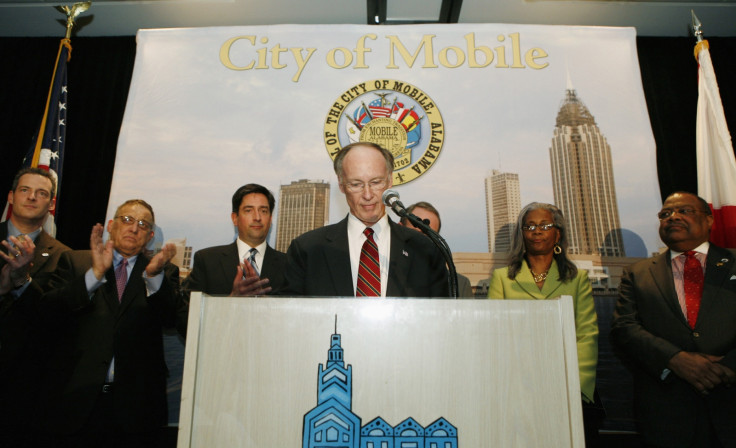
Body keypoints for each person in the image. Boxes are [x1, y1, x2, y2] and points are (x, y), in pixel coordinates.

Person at [40, 199, 186, 447]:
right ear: (111, 225)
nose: (134, 228)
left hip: (136, 409)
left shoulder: (161, 271)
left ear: (150, 236)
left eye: (143, 224)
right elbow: (48, 313)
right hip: (76, 402)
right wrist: (94, 276)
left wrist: (154, 278)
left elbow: (172, 319)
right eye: (127, 220)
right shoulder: (76, 262)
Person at [611, 192, 736, 448]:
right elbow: (625, 328)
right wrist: (675, 359)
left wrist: (728, 367)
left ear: (710, 220)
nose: (673, 217)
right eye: (665, 214)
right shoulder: (638, 274)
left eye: (684, 211)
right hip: (666, 413)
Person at [487, 202, 601, 445]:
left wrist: (573, 386)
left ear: (557, 233)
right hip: (517, 389)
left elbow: (587, 335)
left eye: (544, 226)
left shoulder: (578, 278)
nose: (536, 231)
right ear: (522, 234)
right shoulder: (502, 278)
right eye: (529, 226)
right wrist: (512, 384)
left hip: (568, 389)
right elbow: (494, 336)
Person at [282, 142, 448, 297]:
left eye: (376, 182)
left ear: (390, 180)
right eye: (356, 184)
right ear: (341, 184)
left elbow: (440, 319)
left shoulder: (424, 251)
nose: (368, 195)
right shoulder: (308, 250)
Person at [0, 167, 71, 447]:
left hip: (23, 392)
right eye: (25, 190)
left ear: (51, 204)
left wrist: (23, 280)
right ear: (11, 196)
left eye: (42, 193)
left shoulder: (64, 256)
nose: (32, 198)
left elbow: (54, 319)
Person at [183, 183, 286, 296]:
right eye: (248, 210)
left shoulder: (288, 265)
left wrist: (264, 305)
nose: (257, 217)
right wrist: (232, 300)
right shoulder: (207, 261)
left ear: (270, 219)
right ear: (235, 218)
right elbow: (189, 310)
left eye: (263, 211)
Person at [399, 201, 474, 298]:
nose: (423, 242)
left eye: (430, 236)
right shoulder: (383, 276)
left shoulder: (459, 285)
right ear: (400, 229)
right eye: (418, 234)